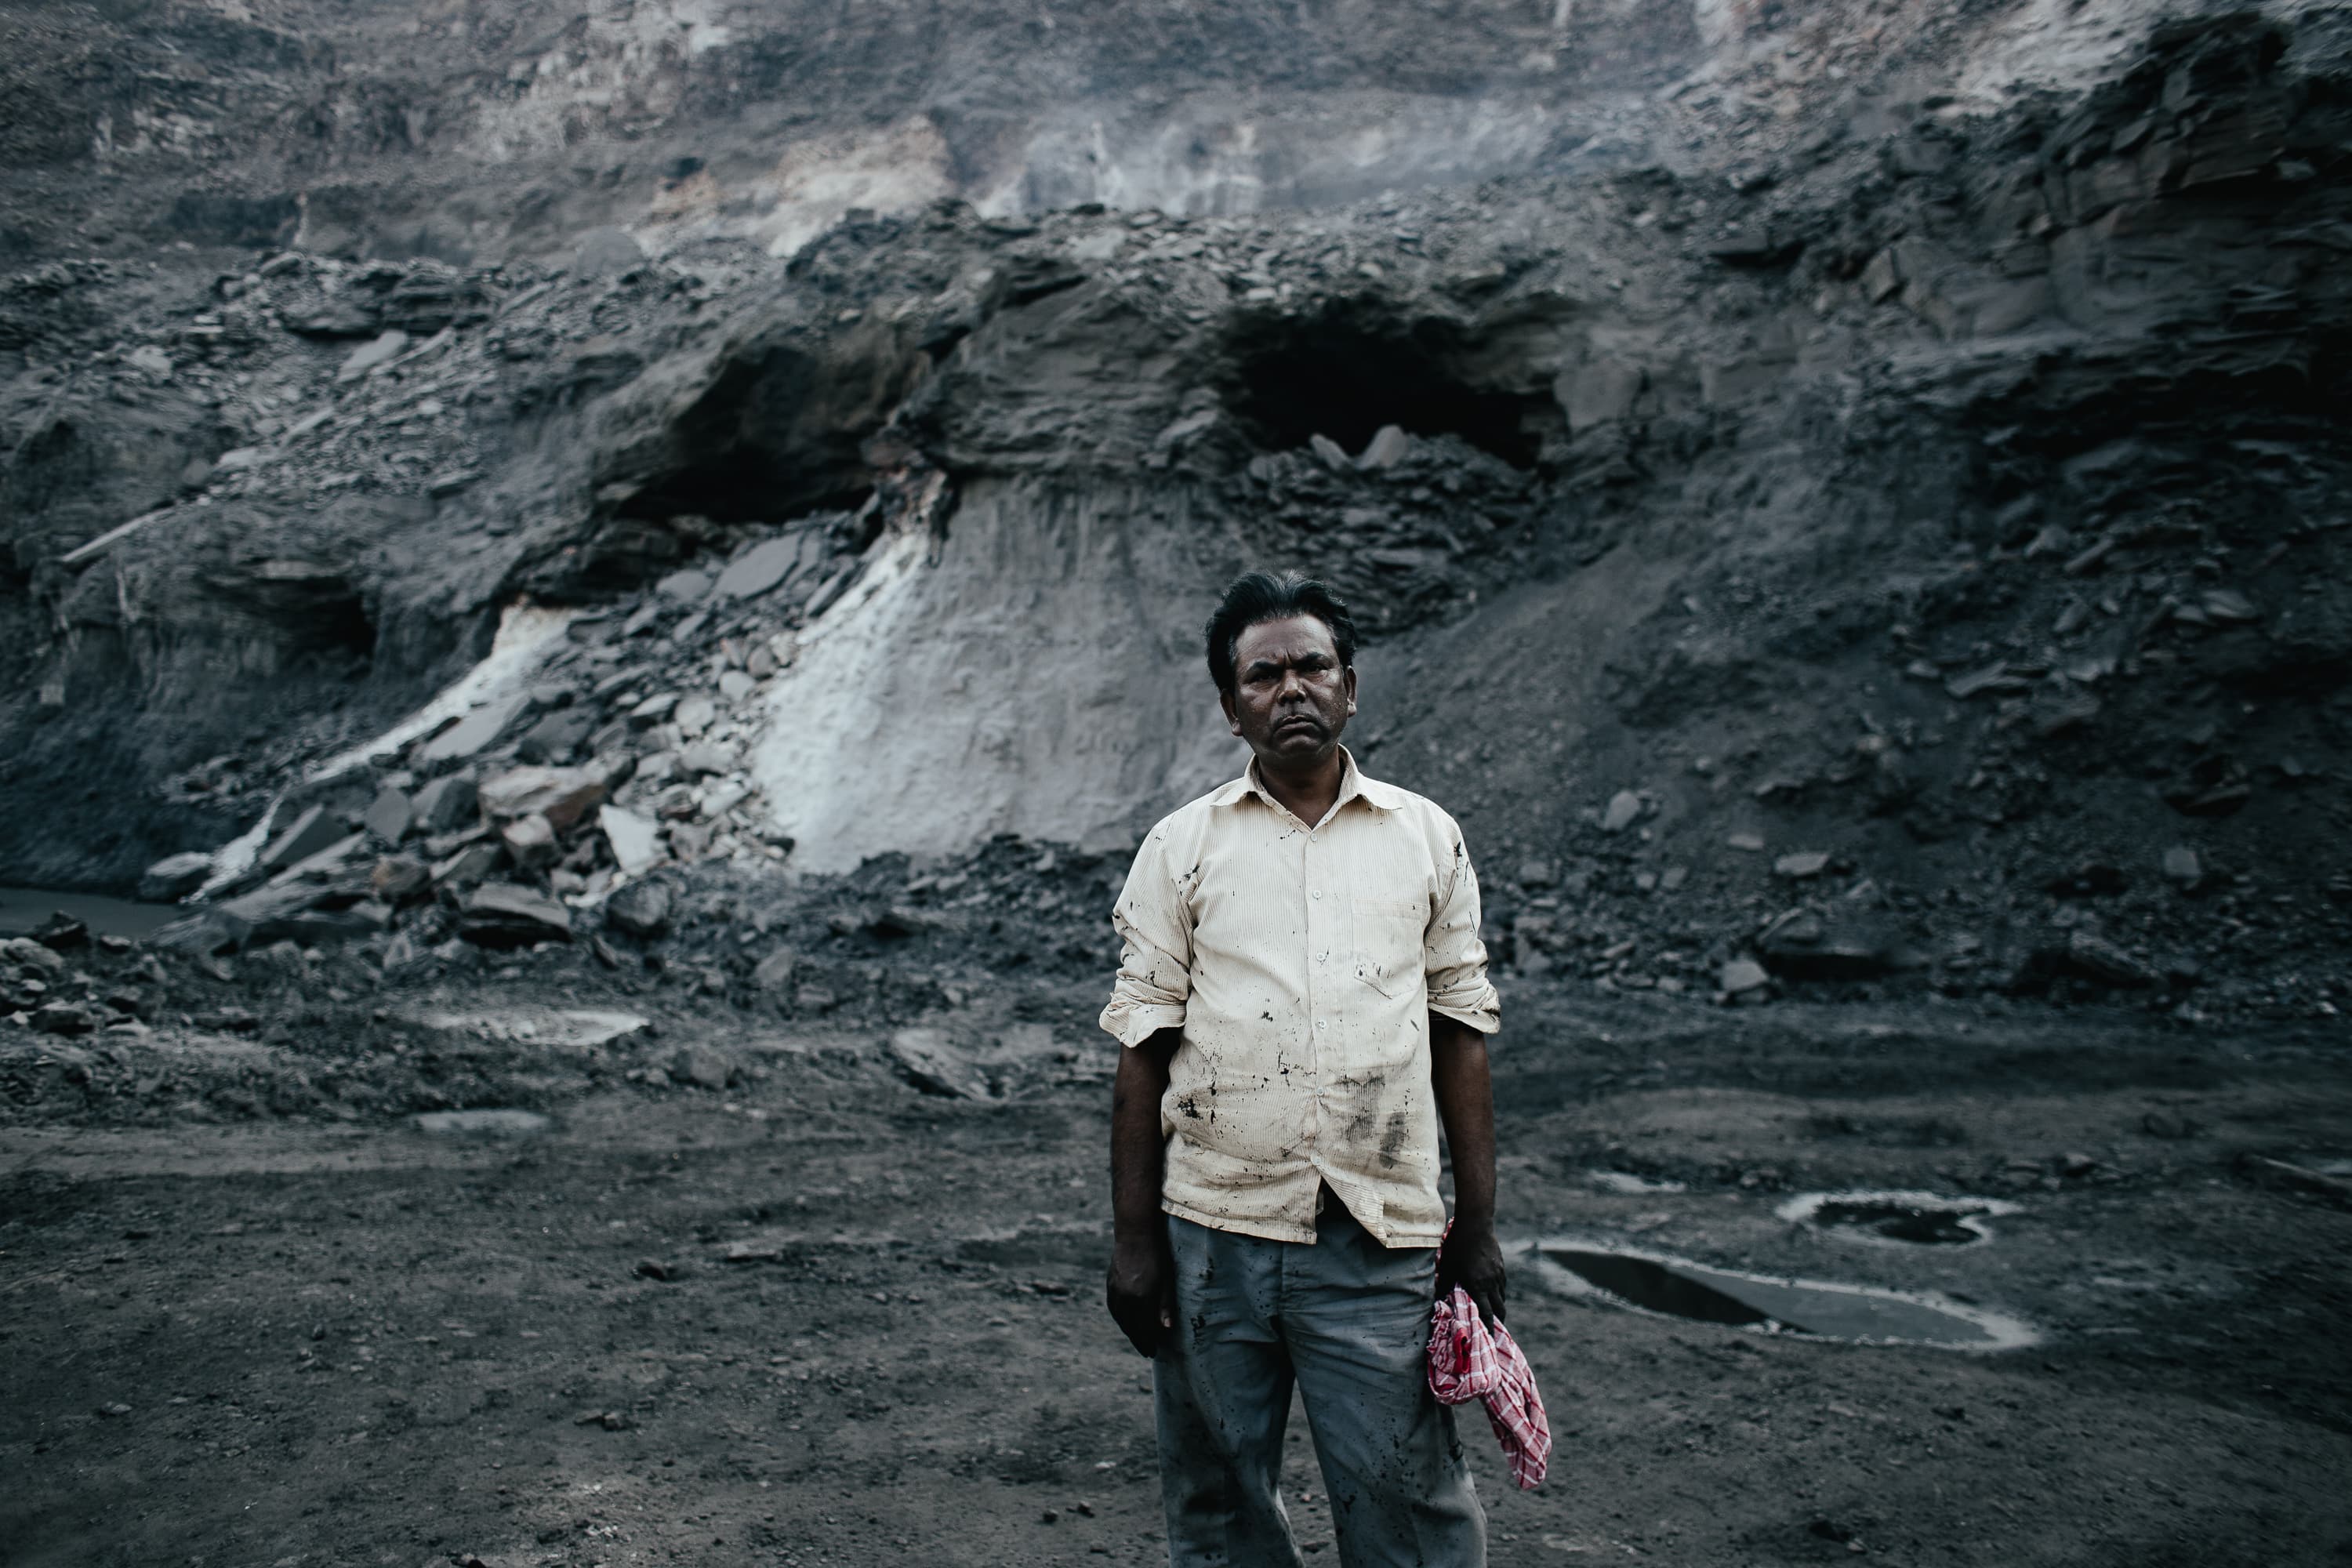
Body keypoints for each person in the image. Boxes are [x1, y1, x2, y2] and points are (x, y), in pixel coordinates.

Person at [1100, 570, 1506, 1568]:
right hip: (1212, 1239)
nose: (1292, 688)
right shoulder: (1180, 846)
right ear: (1230, 706)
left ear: (1351, 686)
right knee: (1221, 1505)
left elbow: (1461, 1032)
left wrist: (1481, 1228)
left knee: (1409, 1508)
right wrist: (1135, 1241)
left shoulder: (1425, 835)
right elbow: (1142, 1051)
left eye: (1312, 666)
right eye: (1263, 673)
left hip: (1378, 1237)